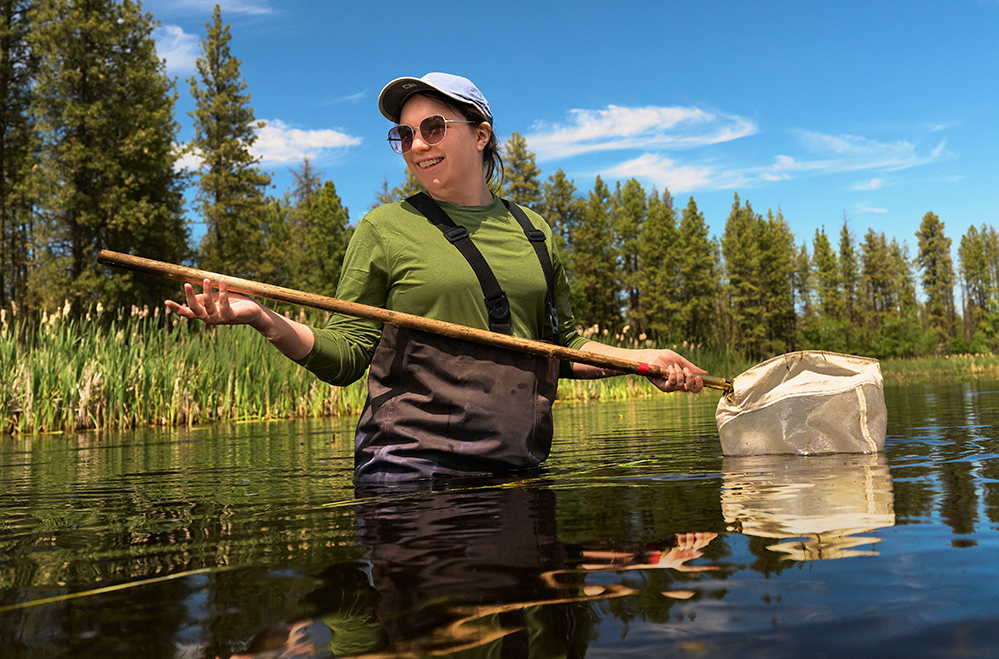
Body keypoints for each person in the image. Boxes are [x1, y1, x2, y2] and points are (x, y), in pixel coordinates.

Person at [167, 72, 705, 482]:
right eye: (404, 134)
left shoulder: (535, 230)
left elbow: (561, 348)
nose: (418, 144)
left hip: (518, 472)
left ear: (481, 135)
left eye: (433, 127)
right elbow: (347, 356)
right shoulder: (383, 229)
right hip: (408, 475)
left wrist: (641, 362)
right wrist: (263, 319)